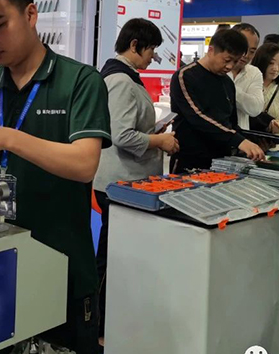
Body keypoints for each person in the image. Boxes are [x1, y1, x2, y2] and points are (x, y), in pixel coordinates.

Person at [0, 0, 112, 354]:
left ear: (30, 14)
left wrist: (8, 137)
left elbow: (84, 164)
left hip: (62, 265)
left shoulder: (80, 81)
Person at [93, 18, 178, 344]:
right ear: (134, 45)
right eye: (151, 50)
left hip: (126, 180)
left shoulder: (123, 76)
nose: (152, 57)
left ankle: (108, 320)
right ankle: (100, 326)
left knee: (119, 254)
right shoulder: (120, 80)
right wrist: (159, 141)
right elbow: (121, 135)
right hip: (119, 181)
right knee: (112, 257)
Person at [170, 28, 265, 171]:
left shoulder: (227, 83)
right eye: (227, 60)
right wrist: (238, 140)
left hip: (221, 161)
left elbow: (230, 123)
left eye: (235, 61)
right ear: (211, 50)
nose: (230, 66)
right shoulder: (185, 76)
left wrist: (251, 141)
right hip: (189, 159)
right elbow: (198, 117)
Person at [229, 23, 264, 130]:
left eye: (252, 51)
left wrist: (229, 89)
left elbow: (255, 108)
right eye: (242, 48)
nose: (246, 55)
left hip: (242, 136)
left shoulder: (254, 73)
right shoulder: (215, 69)